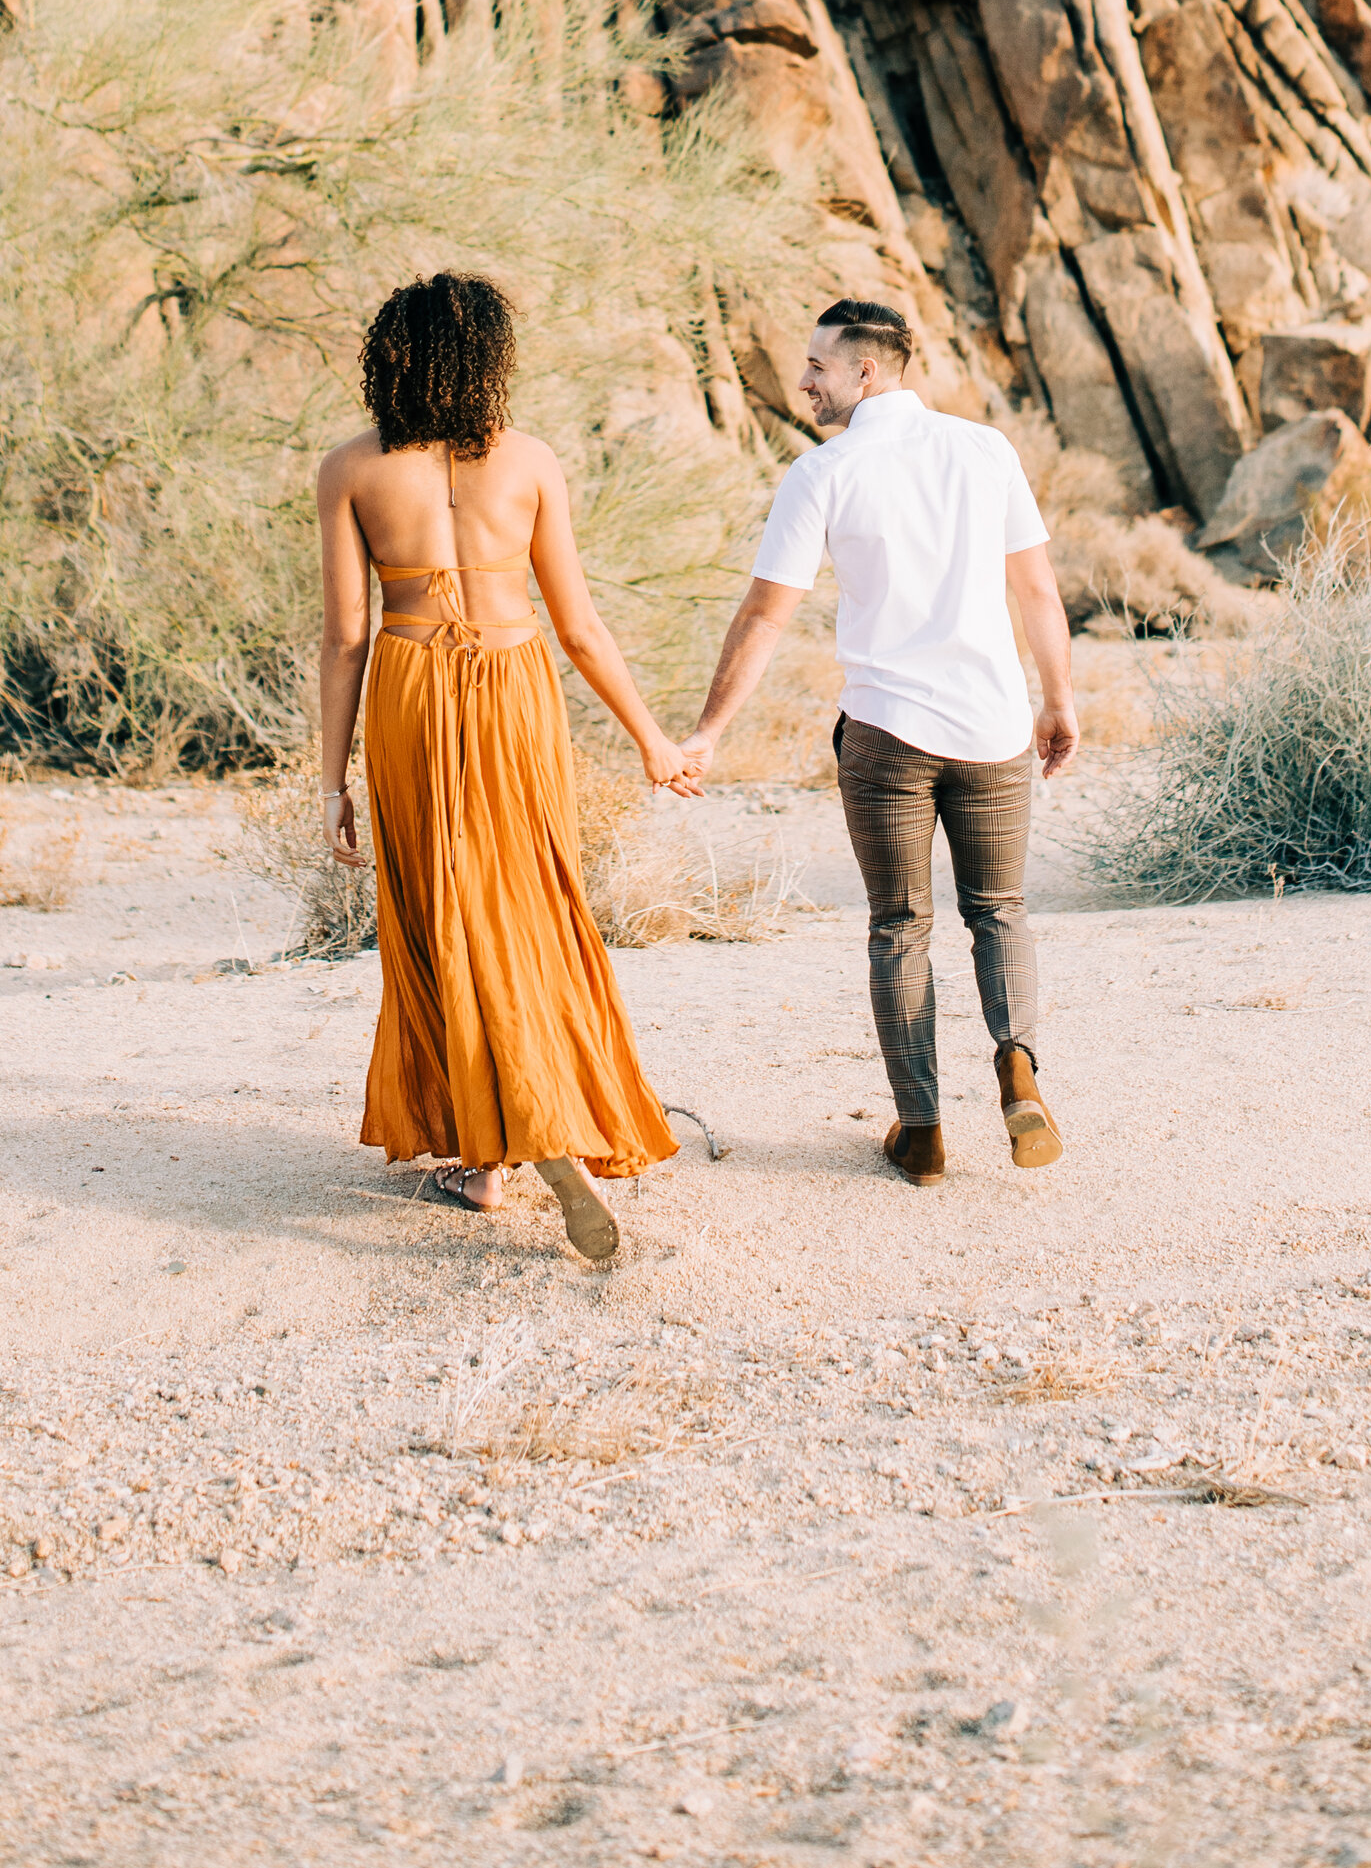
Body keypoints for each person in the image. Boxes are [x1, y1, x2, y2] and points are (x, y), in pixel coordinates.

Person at [317, 270, 699, 1266]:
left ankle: (488, 1151)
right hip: (513, 684)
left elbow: (344, 636)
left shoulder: (351, 468)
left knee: (441, 905)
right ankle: (542, 1115)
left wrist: (331, 783)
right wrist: (652, 738)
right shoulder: (529, 462)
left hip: (408, 688)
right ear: (488, 358)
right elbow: (577, 625)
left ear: (388, 357)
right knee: (526, 899)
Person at [680, 297, 1076, 1184]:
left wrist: (709, 730)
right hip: (993, 728)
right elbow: (1039, 593)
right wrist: (1056, 700)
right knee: (999, 910)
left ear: (867, 370)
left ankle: (923, 1129)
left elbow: (764, 616)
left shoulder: (824, 471)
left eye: (818, 364)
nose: (804, 379)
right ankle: (1017, 1063)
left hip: (887, 737)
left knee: (900, 925)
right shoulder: (985, 450)